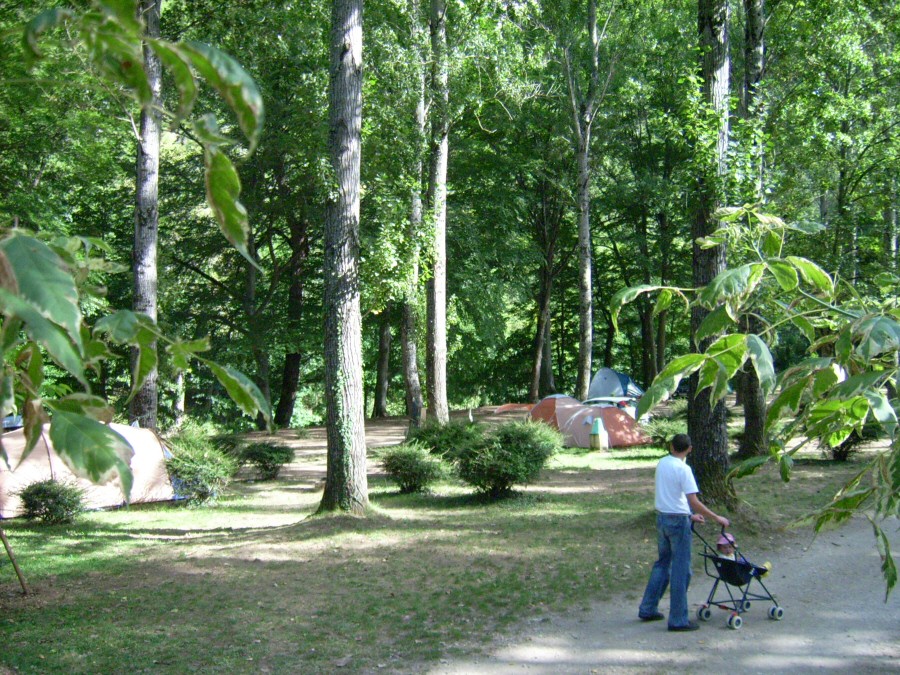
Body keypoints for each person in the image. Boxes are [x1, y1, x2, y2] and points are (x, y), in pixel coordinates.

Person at [638, 433, 730, 631]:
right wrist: (717, 518)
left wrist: (690, 516)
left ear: (671, 447)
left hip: (663, 518)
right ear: (689, 449)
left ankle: (648, 608)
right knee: (681, 569)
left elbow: (671, 496)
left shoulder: (662, 463)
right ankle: (678, 619)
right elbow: (693, 501)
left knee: (662, 564)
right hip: (678, 523)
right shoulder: (684, 469)